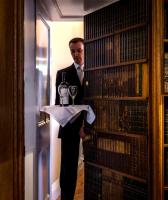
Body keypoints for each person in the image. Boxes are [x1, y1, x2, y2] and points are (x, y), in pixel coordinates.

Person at [55, 37, 86, 200]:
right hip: (69, 129)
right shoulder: (62, 74)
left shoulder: (96, 72)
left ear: (85, 50)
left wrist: (85, 126)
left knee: (96, 167)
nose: (76, 54)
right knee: (68, 170)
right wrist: (77, 127)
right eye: (72, 51)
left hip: (90, 128)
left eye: (79, 50)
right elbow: (60, 105)